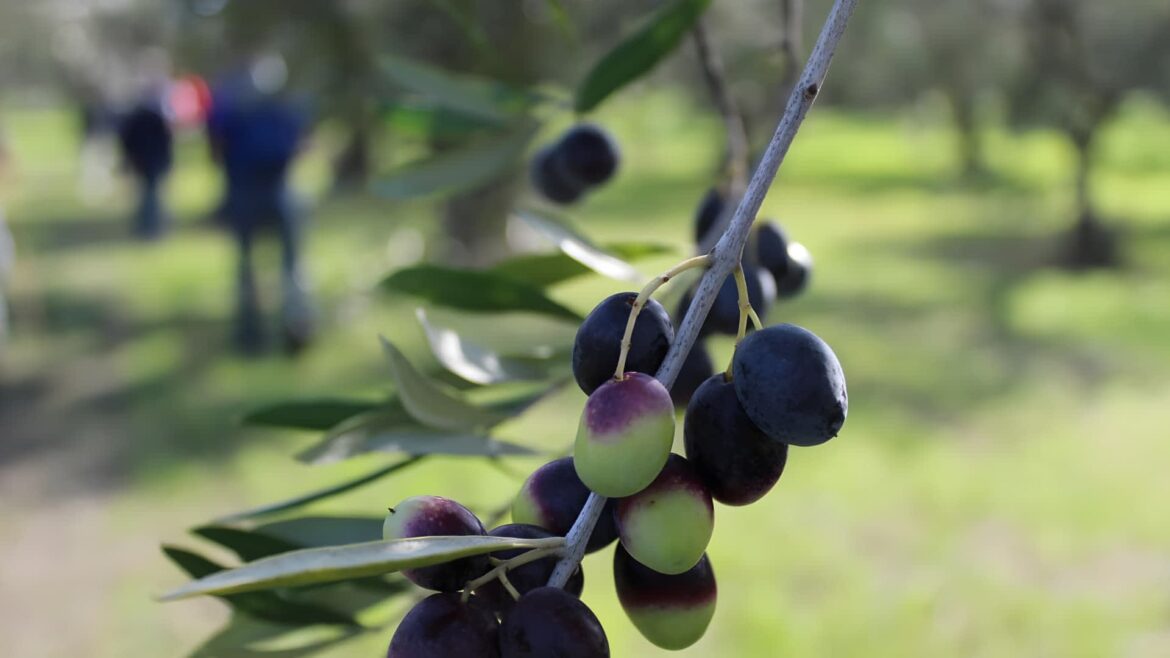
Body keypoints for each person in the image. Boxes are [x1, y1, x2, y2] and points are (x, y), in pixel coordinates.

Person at [207, 59, 315, 355]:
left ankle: (249, 333)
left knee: (245, 264)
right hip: (280, 192)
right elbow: (301, 143)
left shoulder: (231, 105)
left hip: (242, 195)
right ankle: (297, 322)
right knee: (291, 263)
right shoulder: (284, 105)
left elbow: (216, 147)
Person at [117, 99, 174, 239]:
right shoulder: (155, 119)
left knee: (148, 195)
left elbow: (126, 142)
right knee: (150, 195)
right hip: (152, 161)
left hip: (144, 162)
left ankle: (149, 225)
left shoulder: (135, 120)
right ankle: (150, 225)